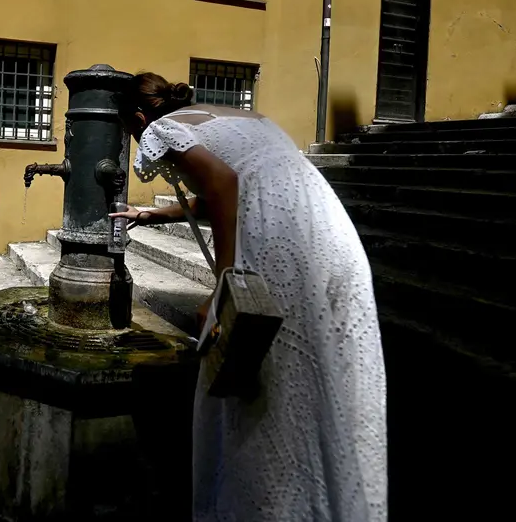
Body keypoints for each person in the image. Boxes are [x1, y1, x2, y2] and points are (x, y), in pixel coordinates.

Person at [111, 74, 387, 522]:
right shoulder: (239, 115)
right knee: (331, 368)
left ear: (140, 118)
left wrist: (224, 283)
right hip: (324, 225)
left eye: (133, 131)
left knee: (257, 374)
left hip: (277, 233)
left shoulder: (163, 129)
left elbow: (222, 184)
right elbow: (240, 181)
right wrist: (151, 213)